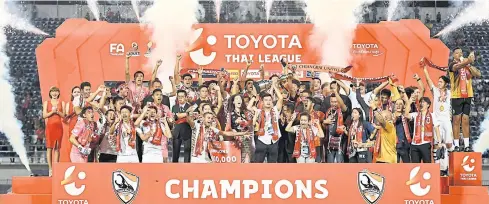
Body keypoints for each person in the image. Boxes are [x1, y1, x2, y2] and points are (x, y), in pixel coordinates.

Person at [449, 48, 481, 152]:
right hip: (456, 95)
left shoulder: (467, 66)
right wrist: (467, 61)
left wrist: (469, 64)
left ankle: (467, 145)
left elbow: (478, 74)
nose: (459, 54)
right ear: (454, 55)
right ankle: (457, 145)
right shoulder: (452, 64)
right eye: (457, 53)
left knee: (466, 120)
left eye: (461, 53)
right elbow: (457, 67)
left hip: (468, 95)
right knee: (456, 120)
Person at [423, 66, 453, 174]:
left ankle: (448, 165)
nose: (438, 83)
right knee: (437, 143)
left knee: (448, 143)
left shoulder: (449, 92)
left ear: (445, 83)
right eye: (438, 81)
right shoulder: (435, 91)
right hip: (437, 120)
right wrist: (425, 70)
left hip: (446, 120)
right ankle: (438, 167)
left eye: (440, 82)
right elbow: (428, 80)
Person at [251, 78, 284, 163]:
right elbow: (249, 107)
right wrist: (255, 95)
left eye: (270, 100)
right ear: (262, 101)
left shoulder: (276, 110)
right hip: (261, 140)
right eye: (266, 100)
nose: (268, 102)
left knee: (272, 165)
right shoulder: (258, 112)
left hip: (274, 140)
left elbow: (280, 98)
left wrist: (274, 86)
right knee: (258, 164)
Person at [406, 97, 442, 163]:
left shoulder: (432, 115)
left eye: (423, 102)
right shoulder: (416, 114)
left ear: (428, 105)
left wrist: (439, 142)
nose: (421, 104)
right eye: (420, 102)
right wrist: (409, 103)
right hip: (415, 144)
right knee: (415, 166)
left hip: (425, 143)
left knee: (427, 164)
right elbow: (406, 115)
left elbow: (436, 128)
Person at [42, 86, 65, 176]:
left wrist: (58, 112)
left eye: (56, 91)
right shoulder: (46, 103)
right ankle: (50, 169)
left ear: (58, 93)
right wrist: (52, 112)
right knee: (49, 148)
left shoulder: (61, 103)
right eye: (53, 92)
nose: (55, 93)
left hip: (59, 127)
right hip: (50, 127)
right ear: (50, 93)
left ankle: (56, 168)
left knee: (57, 148)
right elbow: (44, 115)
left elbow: (64, 115)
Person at [225, 94, 254, 163]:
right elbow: (228, 128)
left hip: (246, 140)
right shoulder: (230, 114)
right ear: (233, 102)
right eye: (237, 99)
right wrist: (236, 134)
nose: (239, 100)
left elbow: (251, 124)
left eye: (240, 99)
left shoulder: (245, 113)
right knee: (236, 162)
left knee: (246, 161)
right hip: (235, 141)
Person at [171, 90, 196, 163]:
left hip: (187, 131)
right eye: (179, 96)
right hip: (176, 132)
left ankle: (187, 170)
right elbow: (174, 117)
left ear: (186, 97)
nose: (180, 98)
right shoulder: (174, 107)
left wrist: (179, 116)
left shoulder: (190, 107)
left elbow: (191, 118)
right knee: (175, 153)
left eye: (182, 96)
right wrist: (185, 114)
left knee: (187, 153)